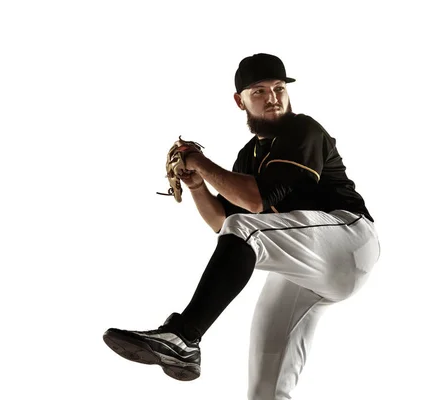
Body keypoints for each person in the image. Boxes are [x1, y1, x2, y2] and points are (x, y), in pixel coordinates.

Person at [103, 53, 381, 400]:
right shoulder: (247, 157)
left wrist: (200, 161)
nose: (273, 97)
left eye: (279, 88)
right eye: (260, 91)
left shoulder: (303, 130)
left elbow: (254, 204)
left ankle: (184, 337)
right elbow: (223, 223)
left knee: (247, 227)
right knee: (264, 390)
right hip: (302, 267)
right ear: (240, 100)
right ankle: (185, 342)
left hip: (348, 239)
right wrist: (197, 185)